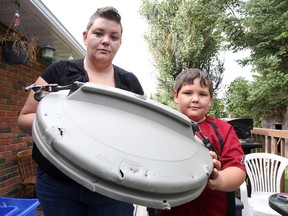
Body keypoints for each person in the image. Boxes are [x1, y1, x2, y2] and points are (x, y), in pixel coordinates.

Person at [18, 6, 144, 216]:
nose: (106, 40)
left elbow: (141, 131)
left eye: (114, 36)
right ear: (85, 37)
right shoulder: (57, 72)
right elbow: (24, 119)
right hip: (57, 186)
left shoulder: (130, 83)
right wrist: (62, 123)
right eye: (98, 33)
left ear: (120, 43)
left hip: (112, 188)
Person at [157, 68, 246, 216]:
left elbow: (238, 170)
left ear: (210, 100)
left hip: (213, 211)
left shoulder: (224, 129)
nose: (195, 99)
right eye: (188, 93)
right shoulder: (163, 127)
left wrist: (219, 180)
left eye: (203, 94)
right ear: (176, 96)